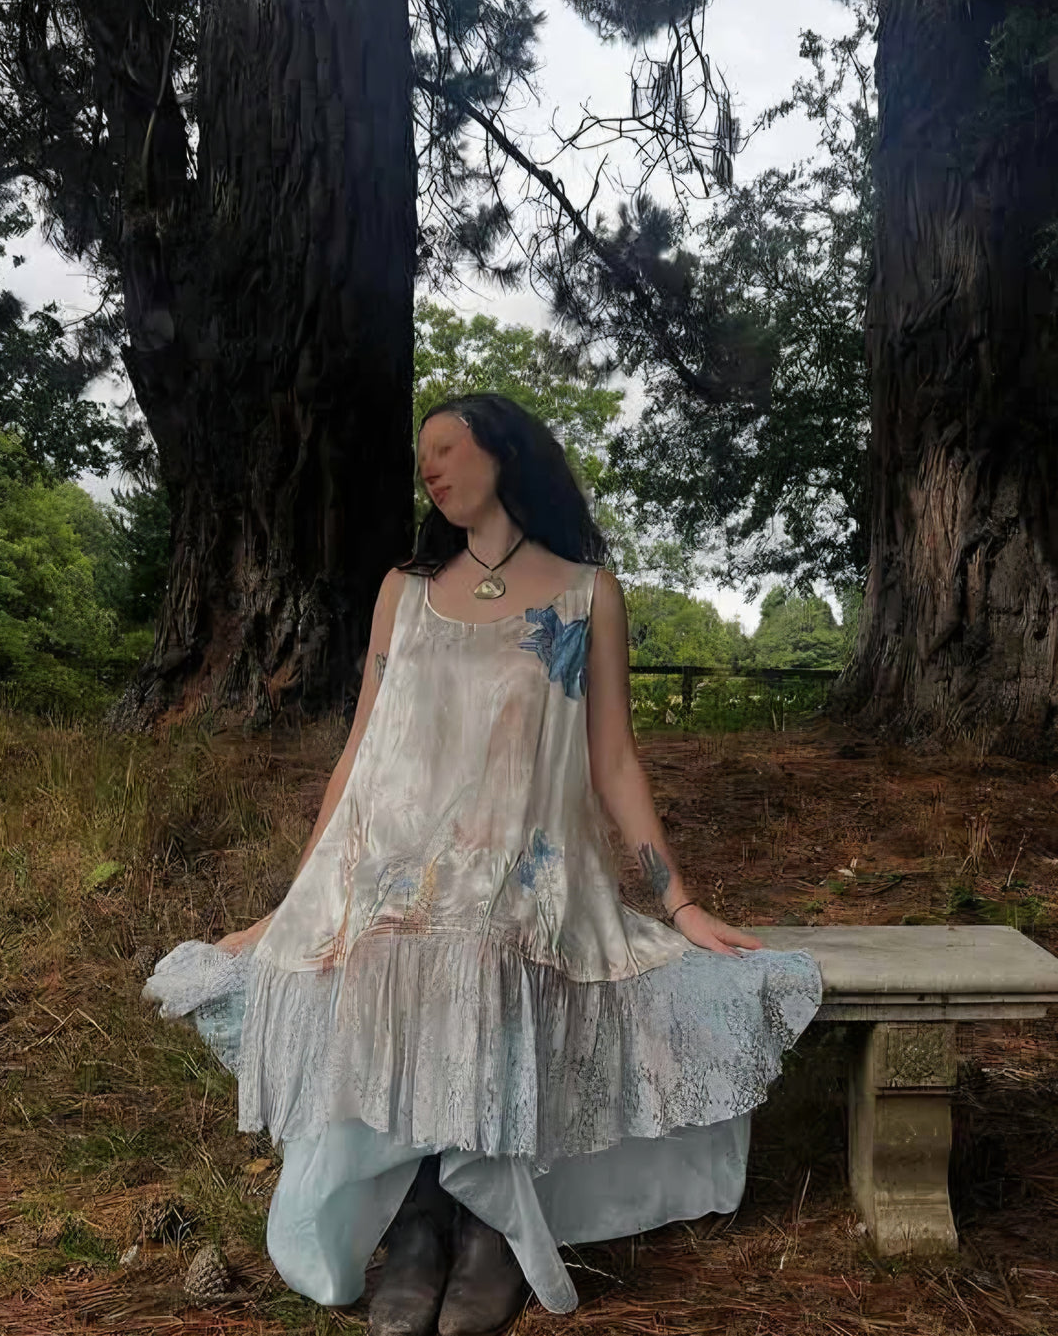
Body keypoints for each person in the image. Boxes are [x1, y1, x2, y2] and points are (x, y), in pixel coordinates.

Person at [143, 392, 822, 1333]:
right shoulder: (406, 592)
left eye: (448, 446)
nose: (430, 465)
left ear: (504, 453)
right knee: (392, 940)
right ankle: (421, 1219)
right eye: (423, 451)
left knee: (489, 940)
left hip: (532, 871)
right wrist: (298, 901)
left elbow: (614, 760)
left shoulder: (588, 594)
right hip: (400, 866)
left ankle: (489, 1225)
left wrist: (680, 902)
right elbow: (359, 755)